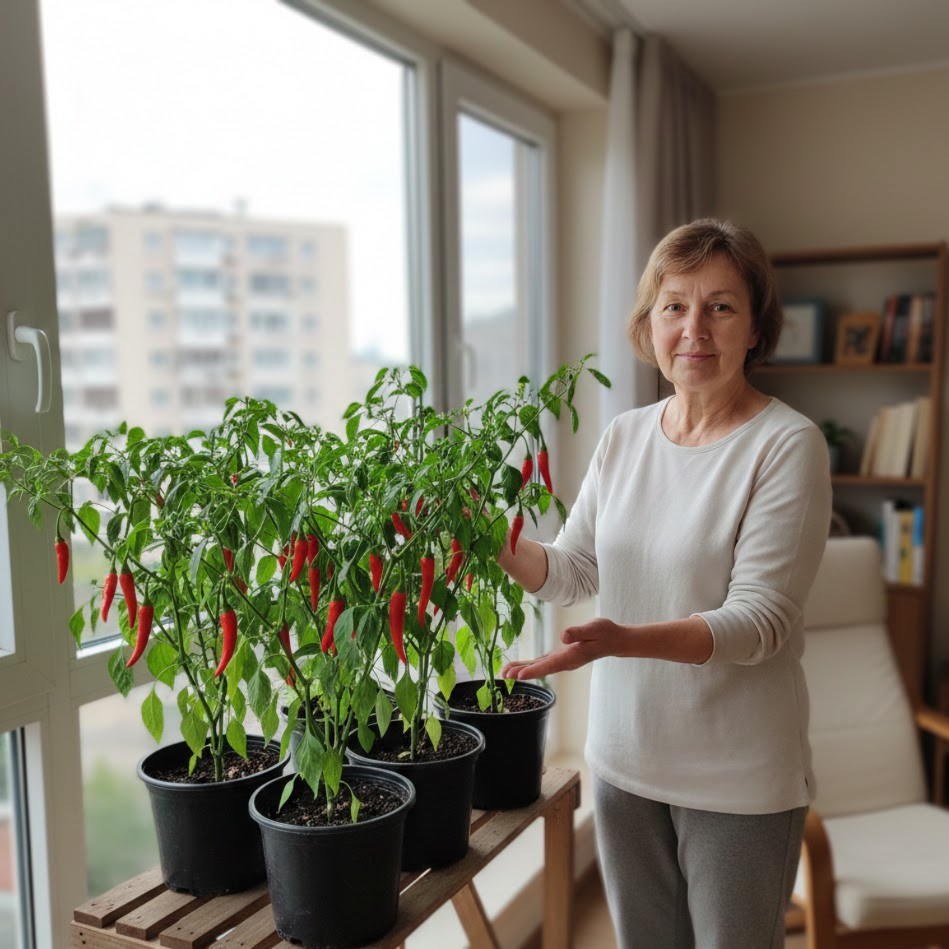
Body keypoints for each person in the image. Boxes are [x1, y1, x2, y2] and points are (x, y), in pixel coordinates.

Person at [498, 218, 832, 949]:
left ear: (755, 328)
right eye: (674, 305)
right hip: (623, 761)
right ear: (648, 324)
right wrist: (496, 541)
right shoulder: (624, 436)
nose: (694, 329)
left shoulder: (786, 445)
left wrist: (622, 640)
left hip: (737, 779)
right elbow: (574, 569)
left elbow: (759, 622)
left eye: (720, 306)